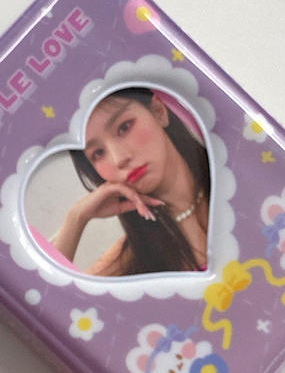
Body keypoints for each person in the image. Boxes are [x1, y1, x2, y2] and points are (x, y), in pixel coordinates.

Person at [51, 87, 211, 276]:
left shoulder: (232, 176)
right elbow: (46, 289)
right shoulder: (134, 255)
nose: (119, 159)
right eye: (98, 153)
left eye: (124, 127)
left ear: (158, 112)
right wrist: (76, 218)